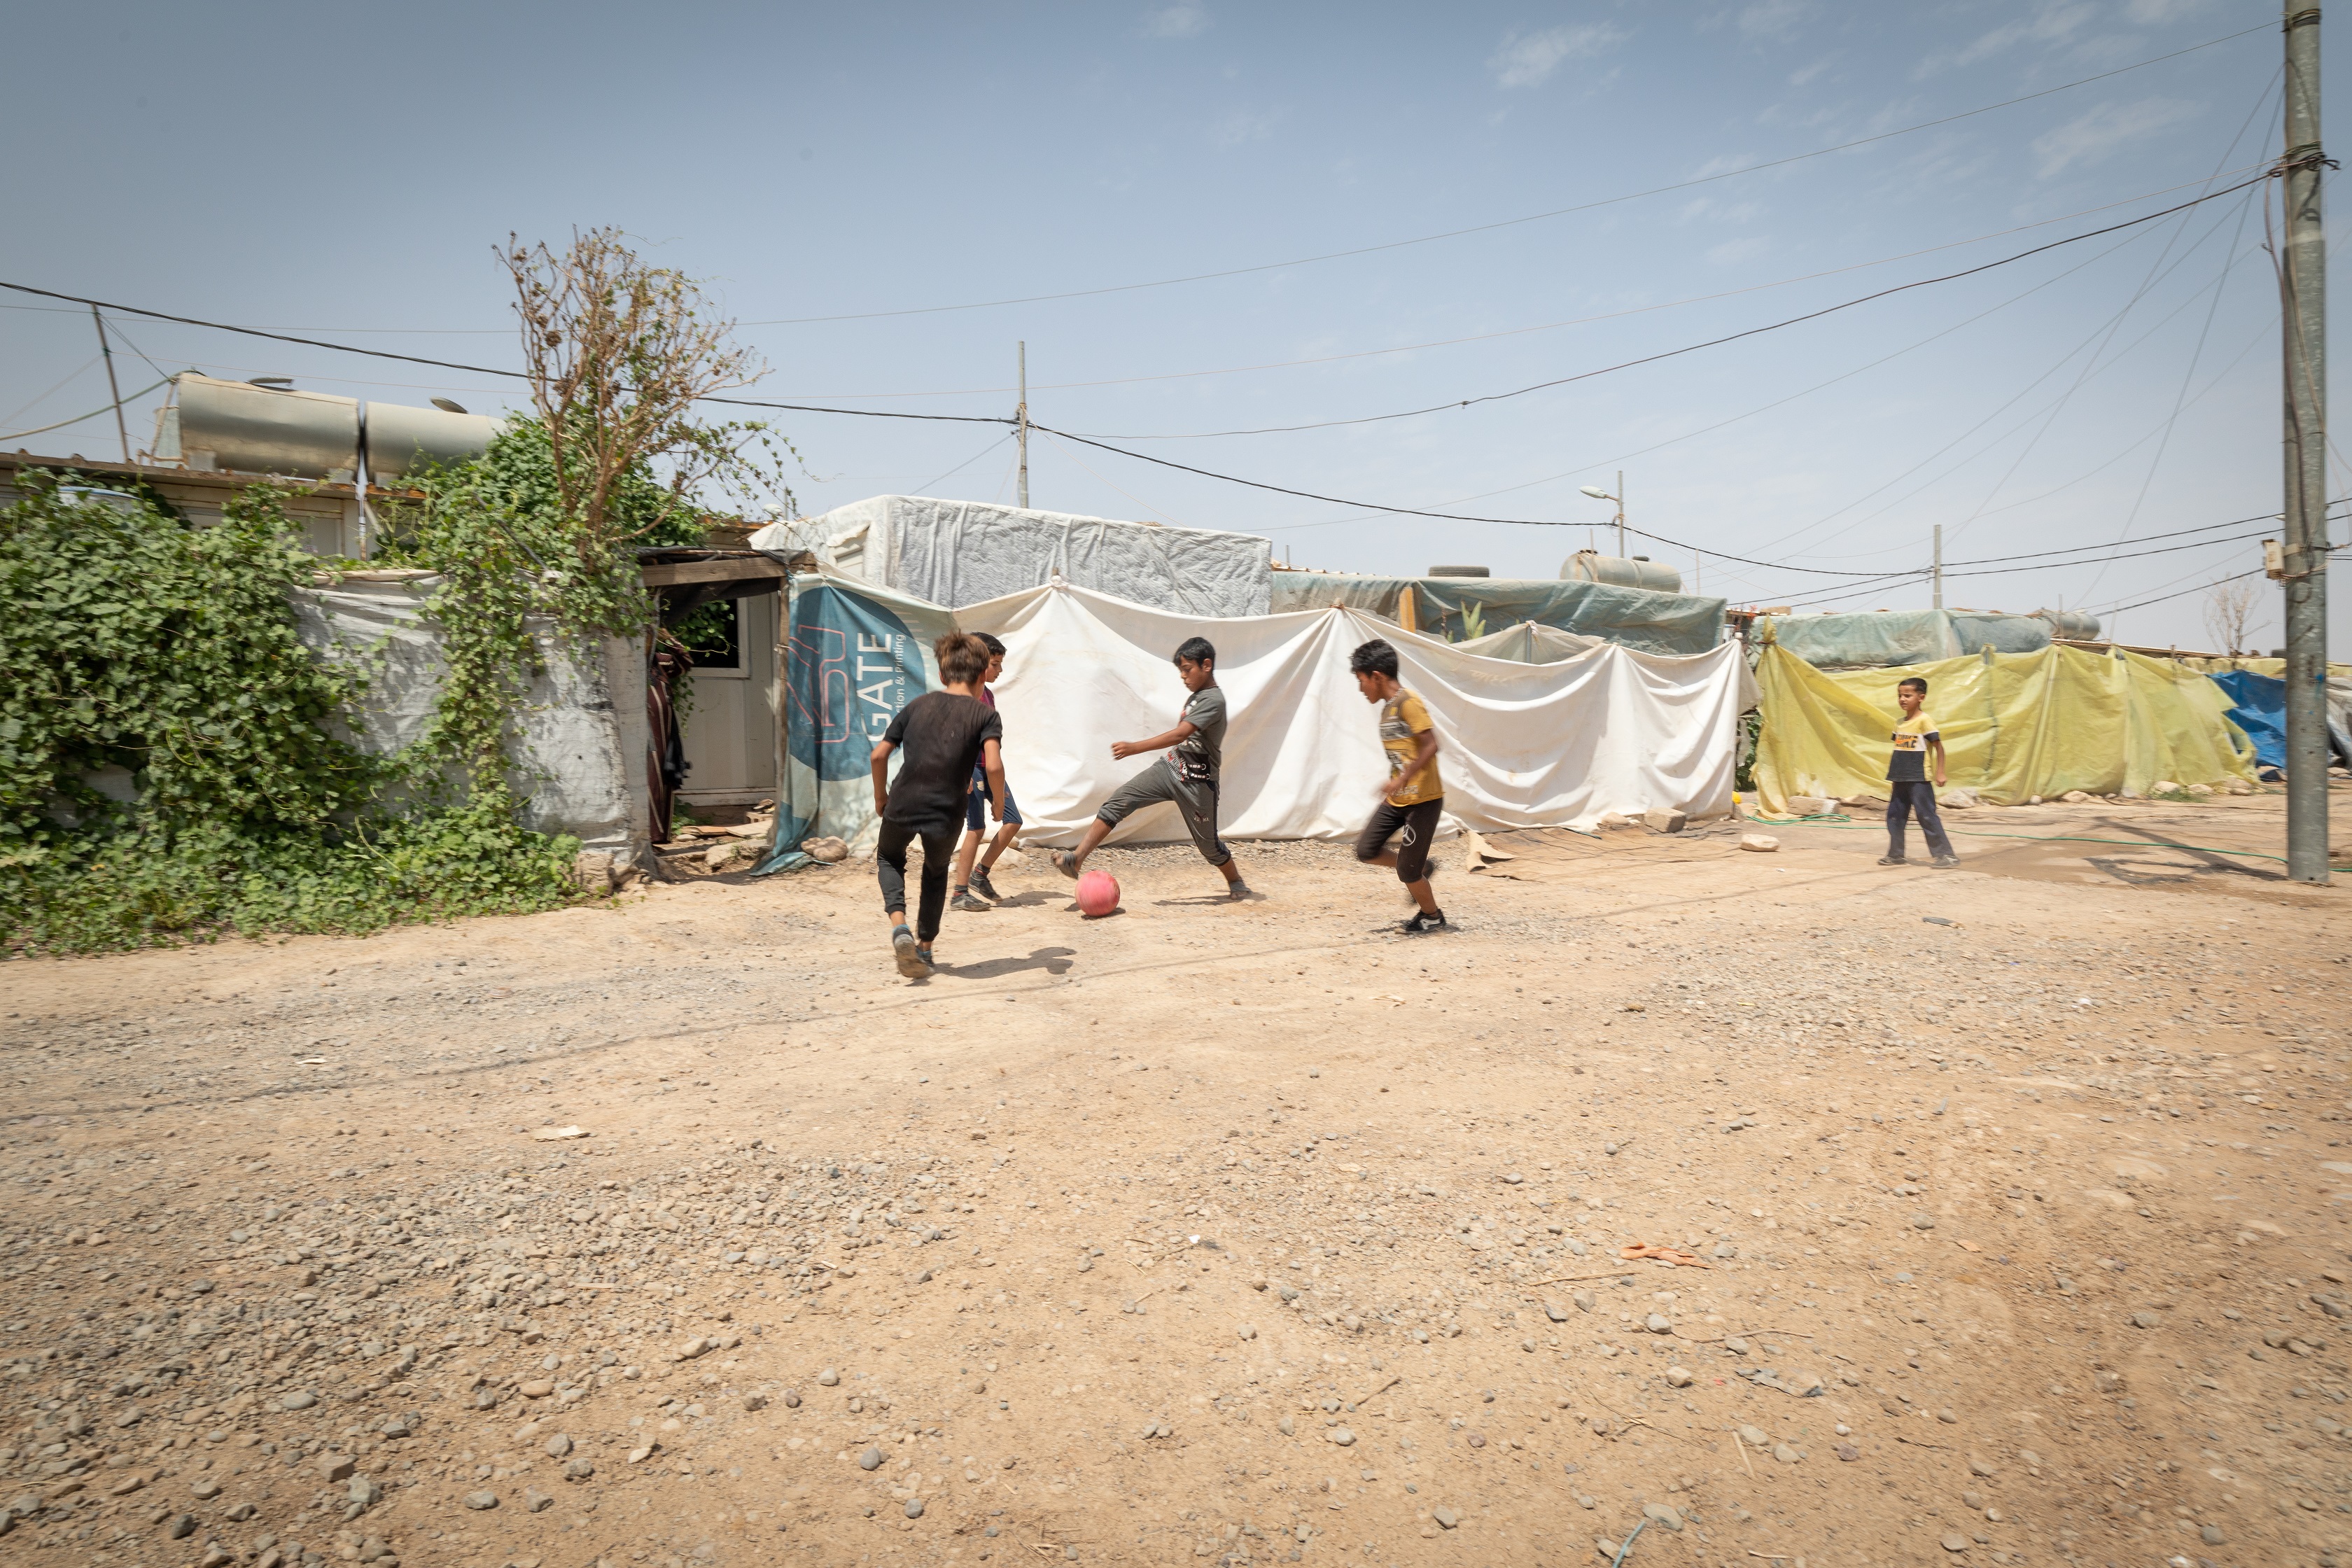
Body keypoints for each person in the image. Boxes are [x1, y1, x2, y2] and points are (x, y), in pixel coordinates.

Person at [1053, 635, 1252, 899]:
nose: (1183, 676)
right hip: (1170, 768)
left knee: (1209, 846)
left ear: (1206, 665)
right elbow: (1183, 741)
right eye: (1180, 670)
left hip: (1198, 782)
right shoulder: (1197, 696)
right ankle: (1076, 859)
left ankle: (1236, 881)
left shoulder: (1213, 700)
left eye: (1187, 669)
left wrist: (1135, 747)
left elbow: (1181, 735)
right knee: (1118, 802)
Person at [869, 634, 1008, 978]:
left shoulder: (917, 705)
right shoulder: (985, 715)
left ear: (943, 675)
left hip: (903, 801)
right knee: (934, 872)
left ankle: (899, 927)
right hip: (947, 811)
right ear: (980, 677)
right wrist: (999, 804)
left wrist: (880, 797)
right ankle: (925, 950)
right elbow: (993, 766)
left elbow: (878, 754)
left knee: (889, 857)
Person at [1348, 638, 1449, 932]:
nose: (1360, 688)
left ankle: (1432, 916)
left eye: (1361, 680)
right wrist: (1397, 782)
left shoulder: (1409, 703)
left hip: (1424, 800)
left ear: (1376, 677)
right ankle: (1423, 868)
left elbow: (1431, 745)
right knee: (1367, 850)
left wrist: (1403, 778)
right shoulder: (1388, 709)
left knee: (1407, 870)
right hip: (1399, 799)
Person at [950, 633, 1021, 912]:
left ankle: (981, 875)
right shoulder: (962, 697)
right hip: (973, 770)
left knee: (1013, 821)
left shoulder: (988, 695)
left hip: (990, 769)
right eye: (995, 663)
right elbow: (955, 738)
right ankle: (958, 894)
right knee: (976, 829)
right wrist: (963, 772)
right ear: (978, 662)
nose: (1000, 670)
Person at [1880, 674, 1959, 869]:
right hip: (1900, 778)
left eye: (1908, 695)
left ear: (1921, 697)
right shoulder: (1899, 723)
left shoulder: (1925, 721)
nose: (1903, 699)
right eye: (1900, 695)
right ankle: (1896, 854)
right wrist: (1895, 778)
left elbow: (1939, 747)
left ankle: (1946, 855)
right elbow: (1899, 751)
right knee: (1894, 816)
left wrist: (1940, 772)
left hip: (1919, 779)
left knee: (1926, 816)